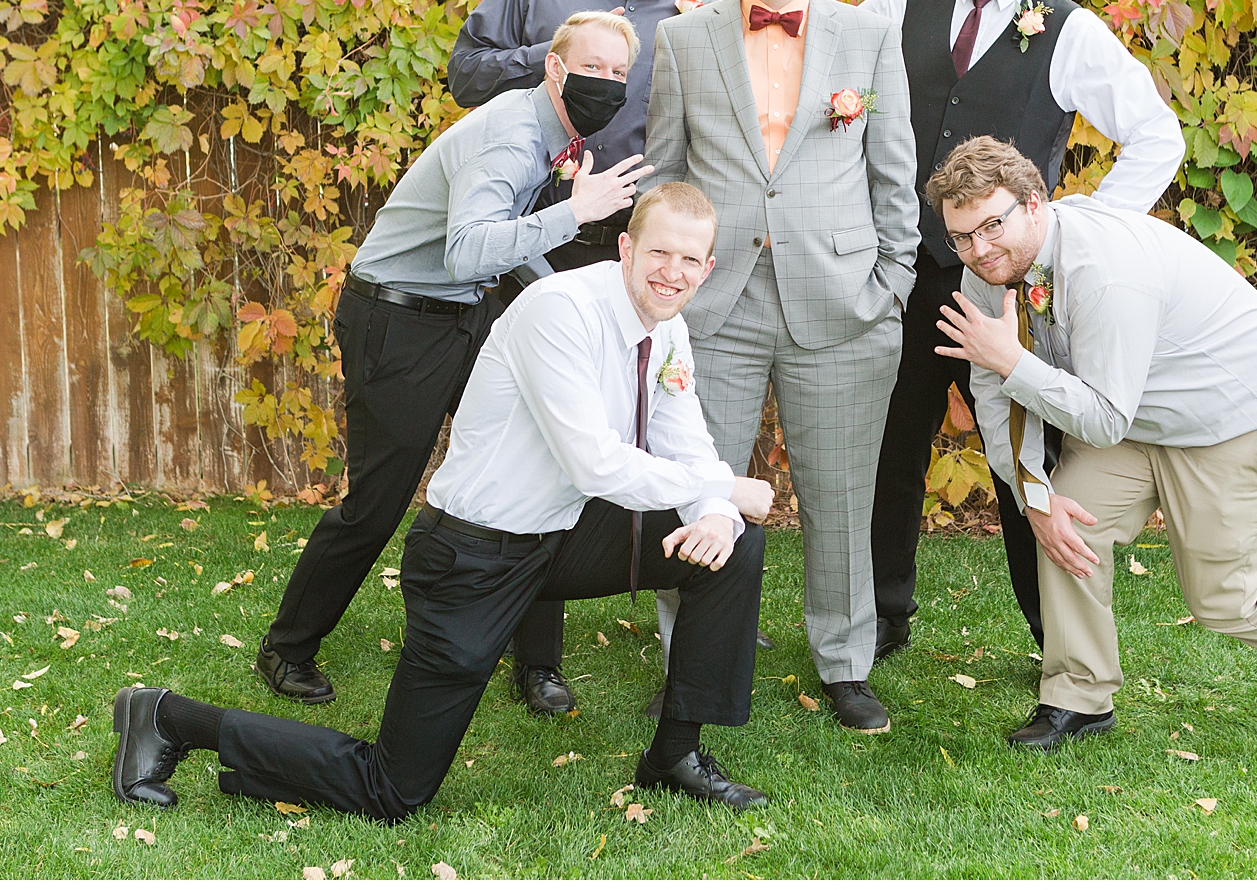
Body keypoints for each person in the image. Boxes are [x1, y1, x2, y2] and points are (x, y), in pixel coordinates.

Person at [113, 184, 779, 819]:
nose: (673, 271)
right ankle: (165, 718)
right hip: (473, 554)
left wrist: (719, 510)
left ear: (707, 267)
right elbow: (596, 461)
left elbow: (685, 443)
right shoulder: (561, 310)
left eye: (690, 259)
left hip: (560, 536)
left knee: (734, 544)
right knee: (393, 789)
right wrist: (722, 487)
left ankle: (674, 756)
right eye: (659, 252)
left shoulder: (665, 328)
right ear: (626, 249)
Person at [927, 136, 1257, 752]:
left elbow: (1091, 409)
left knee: (1225, 598)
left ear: (1035, 203)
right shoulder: (991, 266)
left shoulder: (1104, 271)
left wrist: (1012, 362)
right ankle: (1078, 695)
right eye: (962, 237)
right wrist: (1033, 493)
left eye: (990, 226)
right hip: (1141, 416)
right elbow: (991, 384)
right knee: (1069, 519)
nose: (977, 250)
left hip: (1237, 418)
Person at [254, 12, 651, 708]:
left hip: (462, 316)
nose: (608, 82)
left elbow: (504, 245)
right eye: (594, 66)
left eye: (620, 72)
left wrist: (576, 295)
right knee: (376, 505)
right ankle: (286, 648)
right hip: (398, 321)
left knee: (533, 466)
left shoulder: (551, 132)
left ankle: (537, 665)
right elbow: (469, 248)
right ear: (556, 70)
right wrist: (576, 213)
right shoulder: (509, 136)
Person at [861, 0, 1185, 661]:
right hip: (902, 270)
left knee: (1020, 455)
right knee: (889, 447)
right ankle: (878, 615)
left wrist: (1087, 230)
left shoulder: (1069, 29)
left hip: (1004, 281)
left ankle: (1053, 634)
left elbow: (1157, 136)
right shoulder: (900, 3)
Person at [644, 0, 918, 734]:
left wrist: (893, 285)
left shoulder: (867, 39)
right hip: (713, 308)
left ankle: (845, 662)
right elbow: (664, 175)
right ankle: (698, 658)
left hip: (842, 304)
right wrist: (667, 293)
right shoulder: (685, 42)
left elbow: (895, 174)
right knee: (701, 485)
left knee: (840, 491)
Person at [447, 0, 718, 713]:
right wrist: (564, 59)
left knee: (603, 427)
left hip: (637, 248)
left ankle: (544, 639)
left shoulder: (704, 12)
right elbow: (465, 73)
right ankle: (525, 651)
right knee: (538, 429)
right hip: (539, 230)